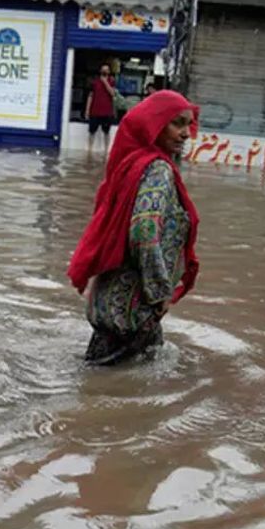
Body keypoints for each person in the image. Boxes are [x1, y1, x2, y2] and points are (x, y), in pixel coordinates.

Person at [67, 90, 201, 365]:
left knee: (97, 384)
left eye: (188, 124)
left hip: (109, 303)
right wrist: (160, 292)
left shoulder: (130, 164)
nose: (186, 133)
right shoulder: (157, 171)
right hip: (134, 310)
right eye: (177, 123)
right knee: (136, 392)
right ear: (154, 126)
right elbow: (143, 232)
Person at [85, 64, 119, 155]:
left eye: (106, 70)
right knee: (92, 132)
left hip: (107, 112)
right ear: (100, 71)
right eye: (103, 70)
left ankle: (106, 151)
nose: (105, 71)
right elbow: (90, 96)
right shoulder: (94, 82)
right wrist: (87, 110)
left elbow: (112, 94)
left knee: (106, 132)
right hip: (95, 112)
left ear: (109, 72)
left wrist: (105, 82)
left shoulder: (112, 81)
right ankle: (89, 150)